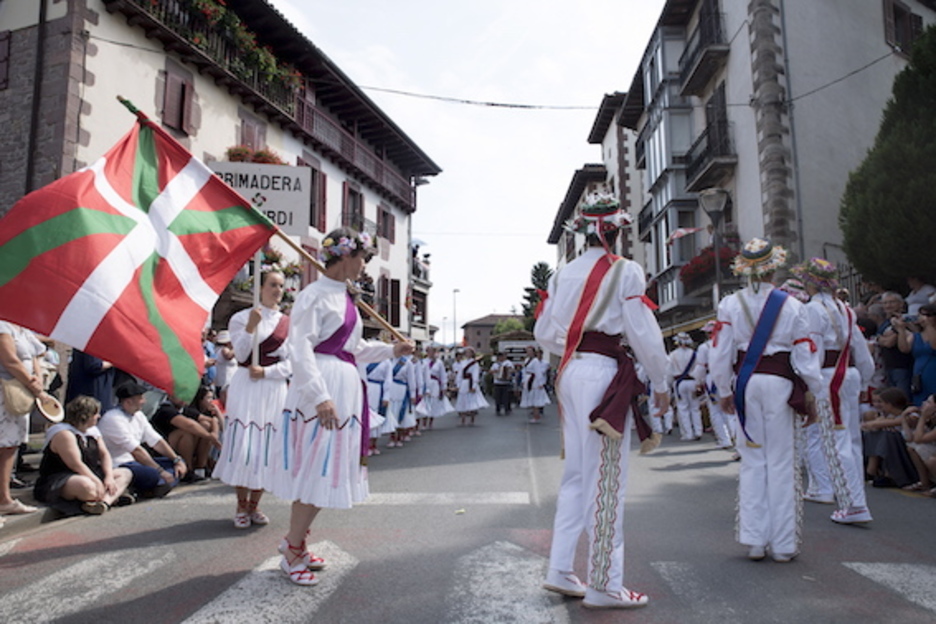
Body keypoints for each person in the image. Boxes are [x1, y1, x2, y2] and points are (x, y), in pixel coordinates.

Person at [535, 189, 669, 609]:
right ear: (615, 231)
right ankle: (605, 584)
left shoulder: (561, 273)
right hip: (602, 372)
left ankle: (561, 568)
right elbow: (641, 330)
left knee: (577, 474)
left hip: (571, 369)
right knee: (607, 477)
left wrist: (574, 345)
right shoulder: (624, 271)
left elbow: (543, 335)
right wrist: (661, 381)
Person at [269, 228, 414, 586]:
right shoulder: (313, 295)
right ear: (346, 256)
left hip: (346, 387)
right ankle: (291, 550)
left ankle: (296, 544)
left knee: (326, 471)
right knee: (315, 470)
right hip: (323, 389)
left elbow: (354, 349)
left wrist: (391, 350)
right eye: (363, 258)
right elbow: (299, 348)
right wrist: (320, 396)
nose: (364, 266)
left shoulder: (346, 297)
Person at [710, 239, 823, 563]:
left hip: (746, 383)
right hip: (779, 383)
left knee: (753, 459)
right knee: (781, 461)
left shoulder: (730, 304)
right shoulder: (792, 305)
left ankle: (755, 540)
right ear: (774, 267)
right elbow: (804, 355)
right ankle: (784, 545)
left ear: (745, 270)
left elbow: (721, 352)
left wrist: (724, 391)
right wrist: (813, 391)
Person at [794, 258, 874, 524]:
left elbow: (812, 350)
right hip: (848, 374)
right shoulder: (846, 309)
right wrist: (863, 382)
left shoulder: (812, 310)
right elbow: (862, 353)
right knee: (851, 440)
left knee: (836, 441)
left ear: (811, 282)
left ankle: (853, 505)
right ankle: (856, 500)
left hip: (829, 378)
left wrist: (810, 385)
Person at [214, 269, 291, 529]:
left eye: (280, 285)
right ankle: (240, 504)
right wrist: (250, 328)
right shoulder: (240, 318)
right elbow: (241, 353)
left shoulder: (288, 323)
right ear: (260, 288)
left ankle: (255, 504)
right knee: (246, 444)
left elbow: (293, 363)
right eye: (272, 285)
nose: (277, 290)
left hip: (272, 387)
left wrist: (268, 372)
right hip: (246, 384)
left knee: (266, 447)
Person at [33, 395, 132, 515]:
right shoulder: (64, 433)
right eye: (96, 414)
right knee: (87, 487)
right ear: (86, 416)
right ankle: (111, 498)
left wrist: (109, 477)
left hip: (89, 472)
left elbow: (105, 455)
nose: (99, 417)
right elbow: (76, 464)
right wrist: (96, 481)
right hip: (62, 476)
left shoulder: (93, 431)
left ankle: (104, 503)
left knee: (125, 473)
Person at [97, 381, 188, 498]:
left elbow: (156, 441)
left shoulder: (138, 415)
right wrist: (160, 471)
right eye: (140, 398)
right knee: (153, 474)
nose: (144, 401)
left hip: (137, 463)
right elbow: (136, 451)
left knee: (176, 464)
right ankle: (146, 486)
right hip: (120, 464)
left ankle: (152, 486)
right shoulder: (113, 418)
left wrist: (176, 460)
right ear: (128, 402)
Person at [0, 321, 49, 520]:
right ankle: (3, 499)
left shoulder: (23, 328)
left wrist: (37, 378)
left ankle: (4, 498)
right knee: (4, 443)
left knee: (11, 445)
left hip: (21, 393)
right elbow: (9, 359)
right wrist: (31, 382)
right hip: (5, 390)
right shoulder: (3, 327)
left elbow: (37, 354)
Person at [150, 386, 222, 483]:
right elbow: (188, 425)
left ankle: (201, 467)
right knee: (186, 433)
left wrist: (214, 433)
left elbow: (213, 420)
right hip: (162, 448)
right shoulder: (165, 409)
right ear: (170, 395)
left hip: (180, 446)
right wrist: (210, 436)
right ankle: (188, 469)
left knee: (205, 425)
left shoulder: (184, 409)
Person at [692, 321, 734, 449]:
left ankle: (724, 439)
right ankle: (735, 437)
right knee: (732, 410)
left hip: (713, 378)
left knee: (716, 411)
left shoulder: (705, 347)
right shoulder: (729, 343)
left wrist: (698, 382)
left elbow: (700, 367)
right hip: (730, 376)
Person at [893, 303, 936, 406]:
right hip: (919, 374)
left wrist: (929, 325)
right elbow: (904, 348)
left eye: (927, 315)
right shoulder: (916, 336)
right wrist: (901, 330)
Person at [876, 292, 913, 397]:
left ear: (901, 304)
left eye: (891, 302)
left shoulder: (904, 320)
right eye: (885, 303)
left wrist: (881, 339)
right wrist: (881, 339)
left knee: (901, 398)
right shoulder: (885, 323)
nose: (888, 306)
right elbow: (879, 339)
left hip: (902, 366)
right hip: (888, 367)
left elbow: (889, 342)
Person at [668, 332, 703, 441]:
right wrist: (699, 382)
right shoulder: (694, 354)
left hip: (679, 383)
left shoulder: (672, 355)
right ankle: (698, 431)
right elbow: (699, 369)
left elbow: (669, 372)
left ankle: (688, 434)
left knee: (683, 408)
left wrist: (669, 385)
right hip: (692, 381)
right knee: (695, 408)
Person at [422, 346, 454, 429]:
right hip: (426, 383)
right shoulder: (423, 362)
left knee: (433, 402)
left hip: (435, 384)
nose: (431, 353)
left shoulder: (439, 363)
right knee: (425, 402)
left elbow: (443, 375)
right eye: (429, 351)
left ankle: (431, 422)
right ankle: (424, 422)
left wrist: (444, 387)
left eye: (433, 351)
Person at [454, 346, 487, 426]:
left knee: (472, 401)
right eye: (466, 352)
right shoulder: (463, 362)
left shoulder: (475, 364)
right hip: (464, 383)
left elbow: (475, 375)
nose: (467, 354)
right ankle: (463, 420)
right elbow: (460, 375)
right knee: (462, 401)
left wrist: (474, 386)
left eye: (469, 352)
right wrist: (458, 384)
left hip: (470, 382)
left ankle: (472, 420)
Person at [520, 346, 550, 423]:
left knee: (535, 398)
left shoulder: (535, 361)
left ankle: (536, 415)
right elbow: (524, 370)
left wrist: (541, 383)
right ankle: (534, 414)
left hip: (534, 380)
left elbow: (538, 372)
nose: (528, 352)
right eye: (527, 351)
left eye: (530, 351)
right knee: (531, 397)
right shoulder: (527, 360)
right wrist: (523, 380)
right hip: (528, 379)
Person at [213, 330, 237, 406]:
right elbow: (228, 356)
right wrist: (237, 347)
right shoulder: (224, 349)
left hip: (227, 381)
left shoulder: (217, 349)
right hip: (225, 382)